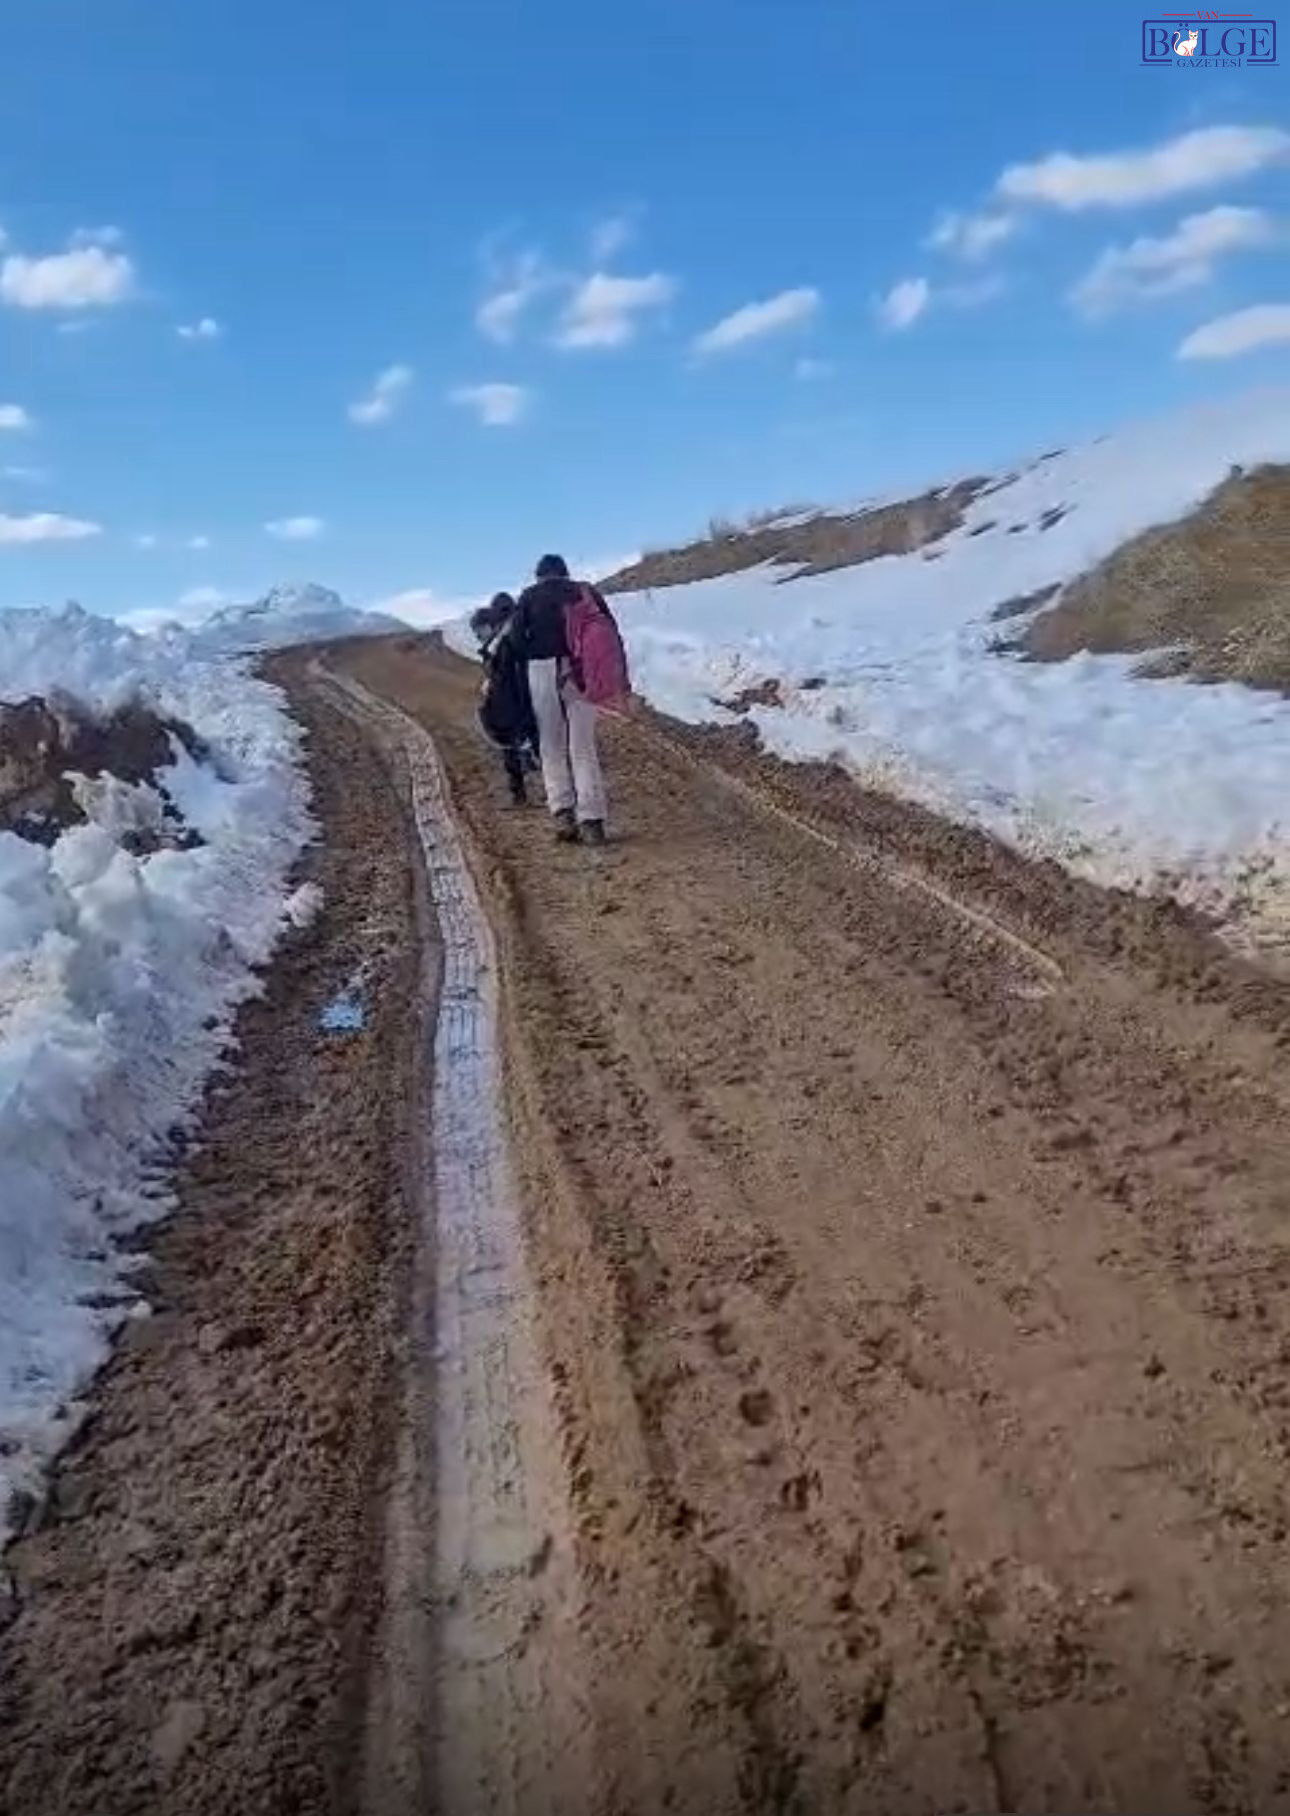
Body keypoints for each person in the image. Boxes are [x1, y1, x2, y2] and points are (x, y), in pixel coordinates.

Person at [512, 554, 610, 846]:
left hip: (542, 669)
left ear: (539, 575)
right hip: (582, 670)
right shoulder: (584, 591)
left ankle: (563, 812)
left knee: (551, 744)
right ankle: (592, 821)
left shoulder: (529, 597)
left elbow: (517, 641)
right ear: (565, 573)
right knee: (582, 745)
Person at [471, 592, 539, 807]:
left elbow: (504, 675)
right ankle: (553, 793)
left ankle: (520, 794)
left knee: (512, 745)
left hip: (512, 702)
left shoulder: (503, 642)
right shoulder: (518, 634)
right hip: (527, 697)